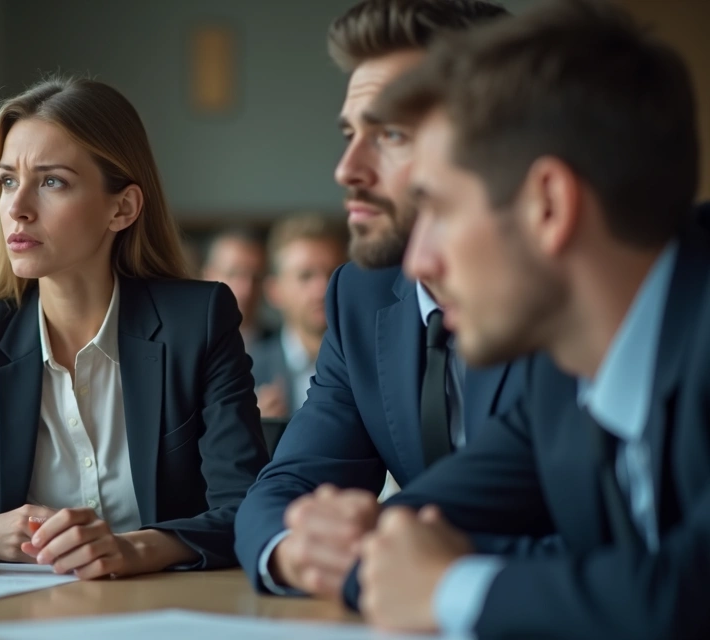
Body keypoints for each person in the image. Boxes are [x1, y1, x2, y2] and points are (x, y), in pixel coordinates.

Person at [347, 1, 710, 637]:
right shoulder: (565, 379)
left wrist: (449, 587)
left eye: (438, 208)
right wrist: (386, 560)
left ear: (548, 205)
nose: (417, 262)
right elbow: (401, 539)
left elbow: (690, 598)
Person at [0, 76, 268, 579]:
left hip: (168, 604)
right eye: (9, 180)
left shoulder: (198, 321)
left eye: (52, 181)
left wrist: (134, 550)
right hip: (24, 611)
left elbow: (246, 509)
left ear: (121, 208)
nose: (17, 207)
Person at [233, 0, 519, 601]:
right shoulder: (360, 295)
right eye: (349, 133)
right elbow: (288, 483)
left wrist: (400, 562)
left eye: (390, 134)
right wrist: (296, 549)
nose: (347, 169)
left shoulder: (551, 293)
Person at [251, 213, 349, 419]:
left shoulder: (372, 366)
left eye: (333, 273)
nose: (323, 289)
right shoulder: (246, 375)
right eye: (305, 276)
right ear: (274, 290)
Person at [199, 228, 268, 348]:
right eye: (234, 274)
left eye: (256, 277)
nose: (246, 289)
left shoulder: (286, 351)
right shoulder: (186, 347)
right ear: (208, 275)